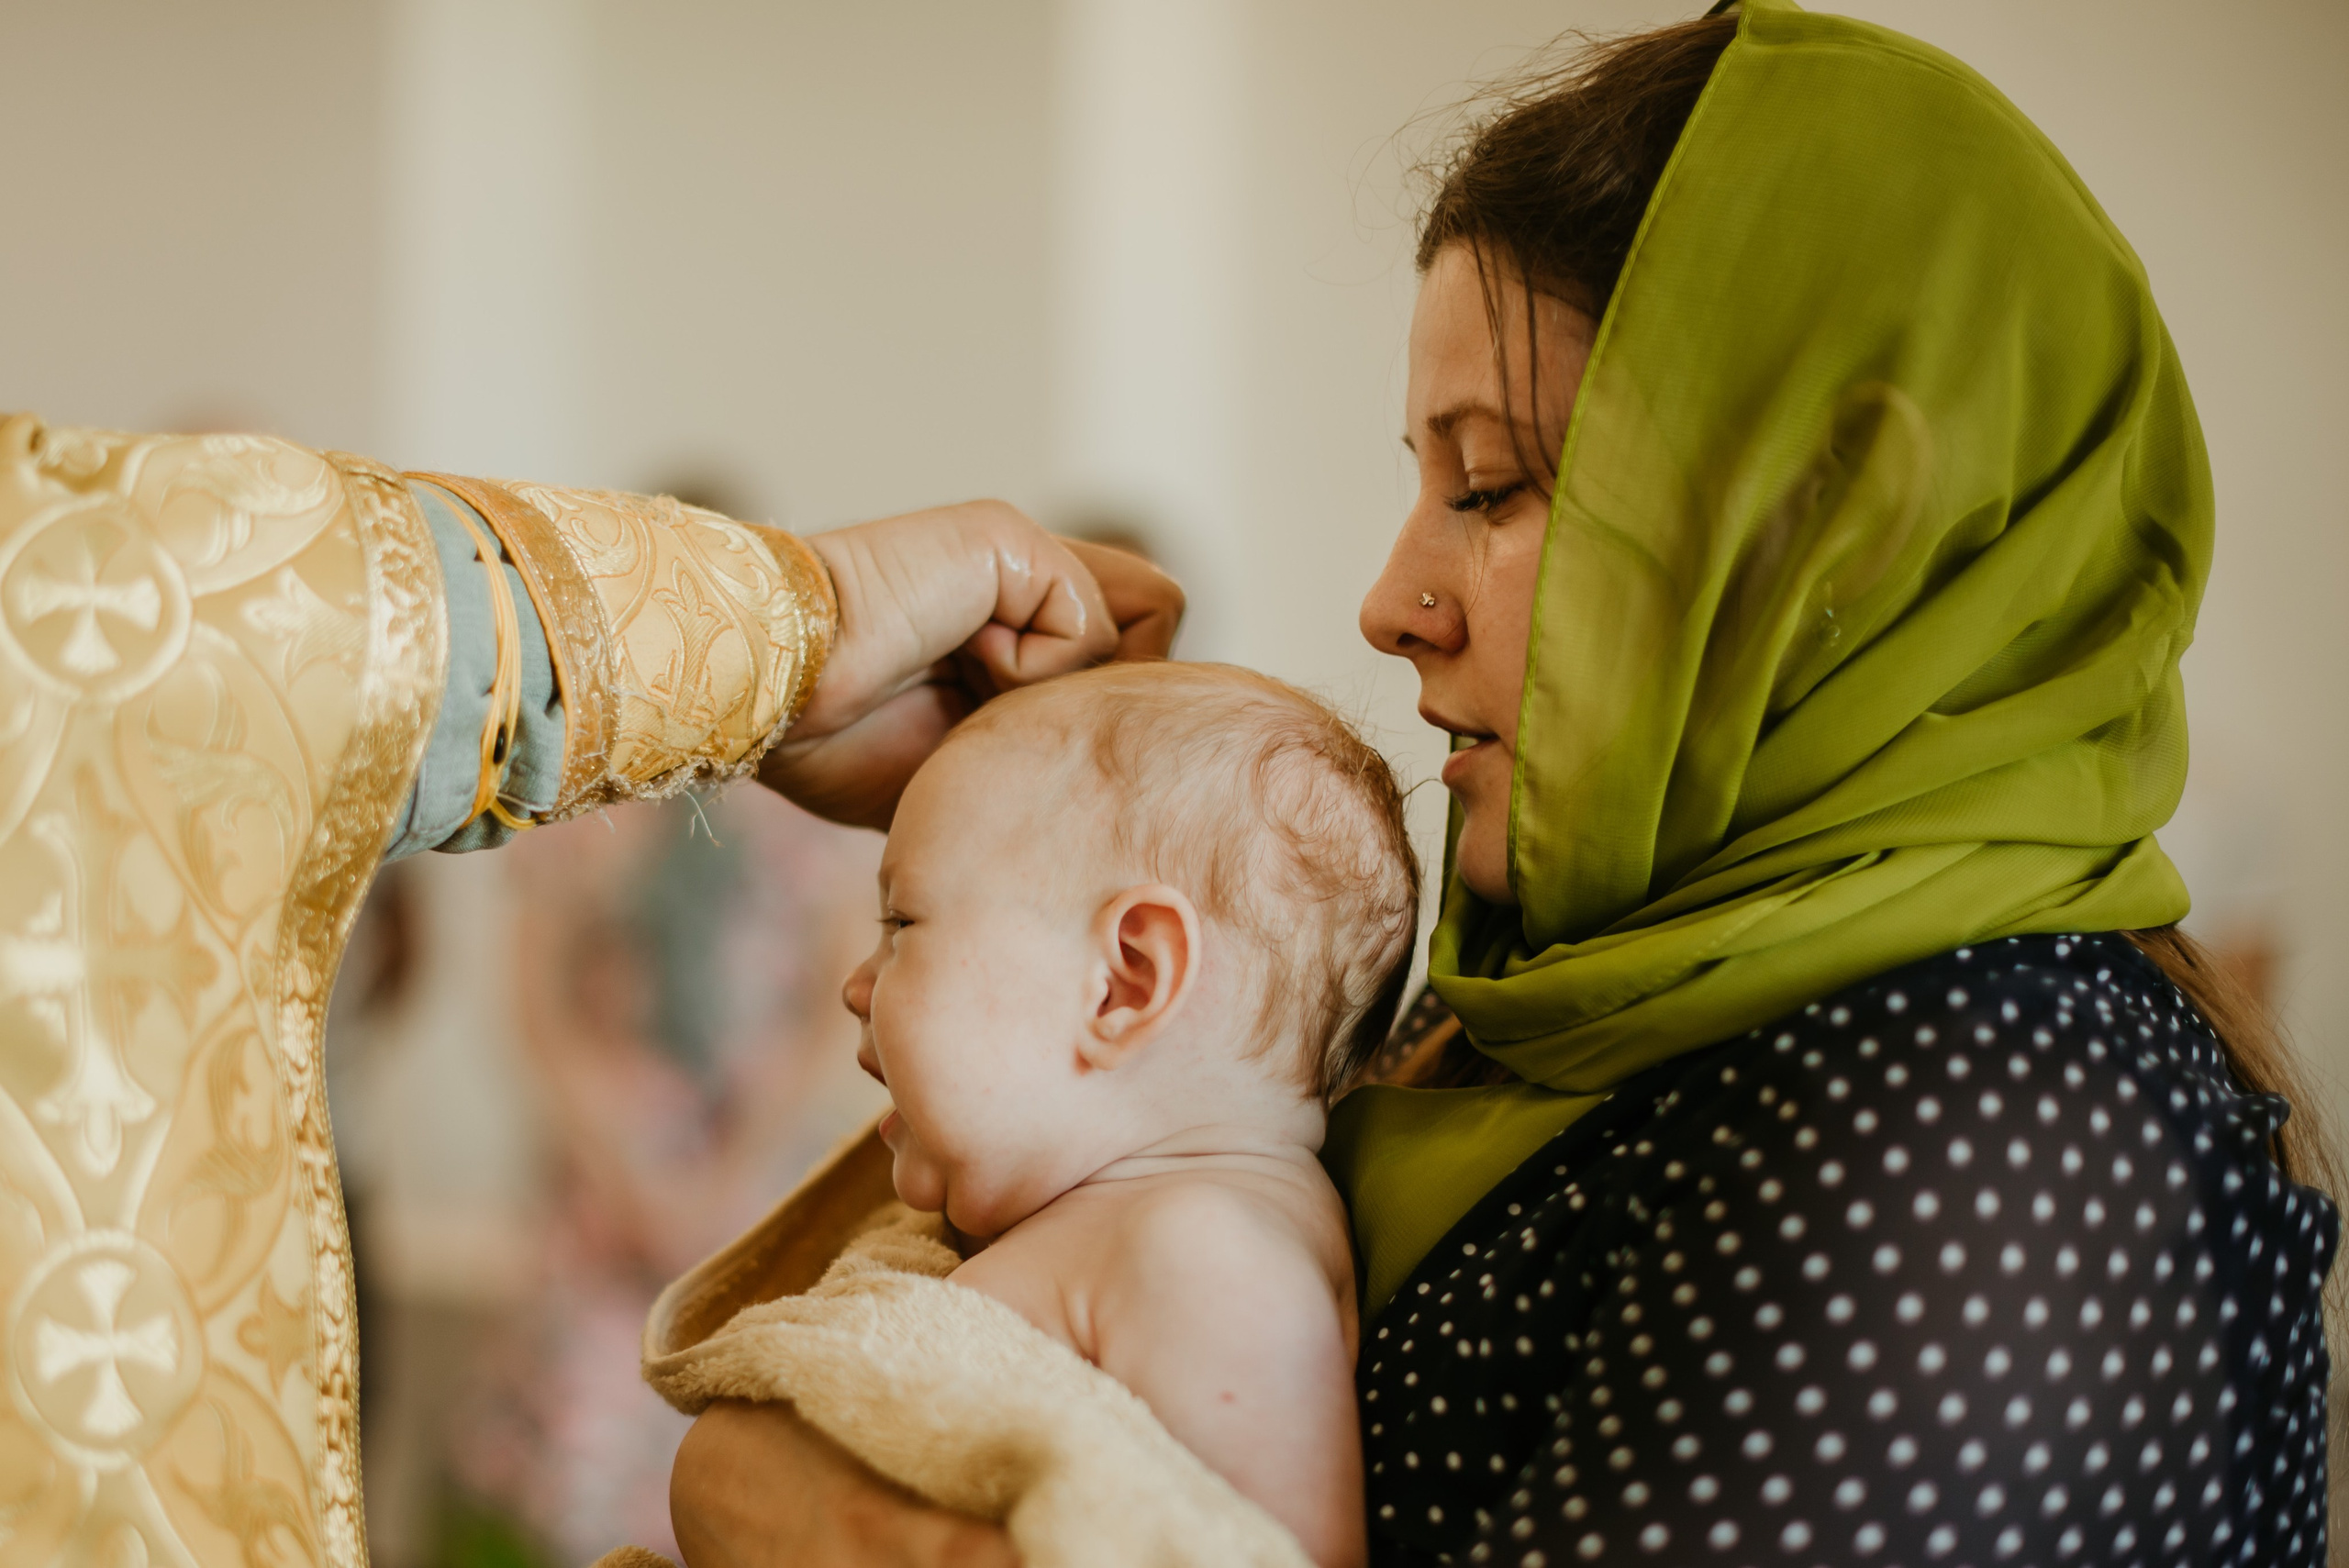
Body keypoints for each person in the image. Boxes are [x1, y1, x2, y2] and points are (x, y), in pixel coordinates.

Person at [665, 5, 2337, 1566]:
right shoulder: (1511, 1005)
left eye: (1496, 485)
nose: (1393, 598)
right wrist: (1037, 836)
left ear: (1829, 525)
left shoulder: (1996, 1151)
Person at [0, 423, 1176, 1568]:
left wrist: (798, 627)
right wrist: (796, 619)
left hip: (738, 1166)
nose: (873, 977)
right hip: (602, 1173)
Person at [836, 662, 1419, 1566]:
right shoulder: (1120, 1222)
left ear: (1124, 980)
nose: (855, 986)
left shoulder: (1207, 1253)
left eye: (903, 922)